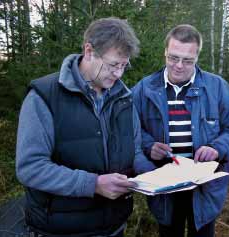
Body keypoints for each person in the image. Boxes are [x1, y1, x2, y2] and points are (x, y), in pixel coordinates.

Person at [16, 17, 153, 236]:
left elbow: (134, 151)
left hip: (114, 226)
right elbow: (30, 167)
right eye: (112, 65)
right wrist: (93, 184)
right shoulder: (44, 97)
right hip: (61, 230)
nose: (118, 74)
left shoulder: (124, 99)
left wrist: (158, 177)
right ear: (89, 51)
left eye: (124, 65)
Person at [132, 24, 229, 237]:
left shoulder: (217, 88)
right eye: (173, 58)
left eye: (187, 60)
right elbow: (130, 131)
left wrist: (217, 148)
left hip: (205, 187)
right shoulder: (144, 89)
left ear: (197, 57)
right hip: (165, 186)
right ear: (165, 53)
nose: (178, 66)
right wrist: (149, 146)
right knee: (169, 231)